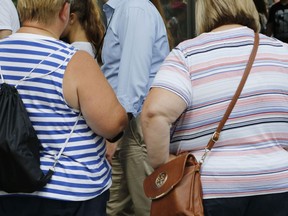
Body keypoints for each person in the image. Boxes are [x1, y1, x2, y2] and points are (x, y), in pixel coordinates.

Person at [141, 0, 288, 215]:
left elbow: (155, 113)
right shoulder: (283, 53)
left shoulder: (186, 55)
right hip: (278, 185)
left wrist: (163, 162)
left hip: (210, 190)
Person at [0, 0, 128, 215]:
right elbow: (113, 124)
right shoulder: (74, 61)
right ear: (64, 11)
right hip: (70, 191)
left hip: (6, 186)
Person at [100, 0, 172, 215]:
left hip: (132, 124)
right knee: (115, 207)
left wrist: (114, 133)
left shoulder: (133, 8)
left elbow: (132, 83)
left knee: (147, 208)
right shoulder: (127, 8)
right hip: (130, 122)